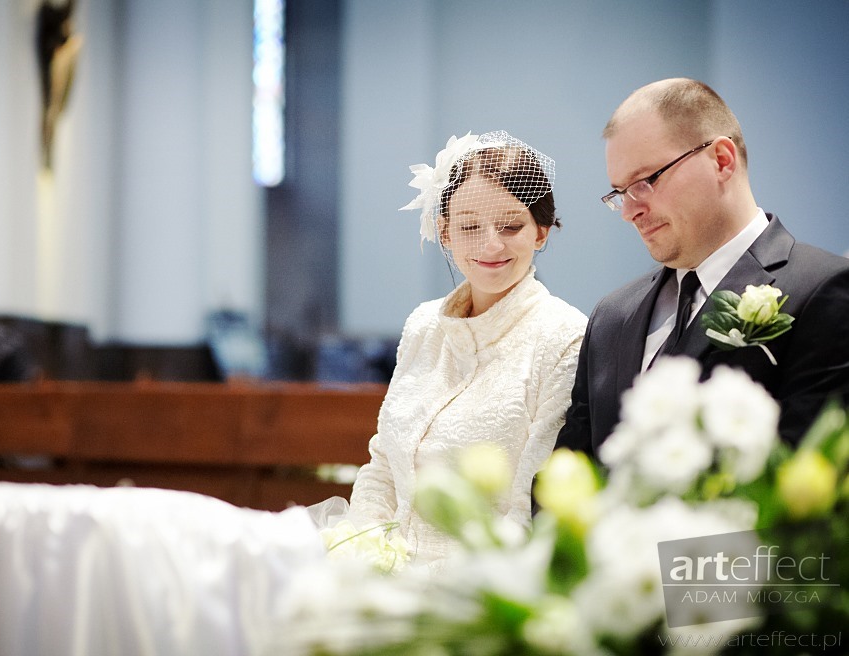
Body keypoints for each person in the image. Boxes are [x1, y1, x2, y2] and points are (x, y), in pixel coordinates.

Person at [556, 78, 849, 459]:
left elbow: (809, 482)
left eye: (645, 181)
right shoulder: (611, 317)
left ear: (721, 160)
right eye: (619, 193)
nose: (629, 212)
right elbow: (567, 474)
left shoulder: (823, 291)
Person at [347, 131, 587, 567]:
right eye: (470, 225)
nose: (490, 244)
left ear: (542, 232)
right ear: (445, 232)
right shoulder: (423, 326)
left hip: (481, 589)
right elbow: (383, 465)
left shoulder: (564, 336)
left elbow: (530, 509)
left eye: (511, 225)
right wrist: (364, 550)